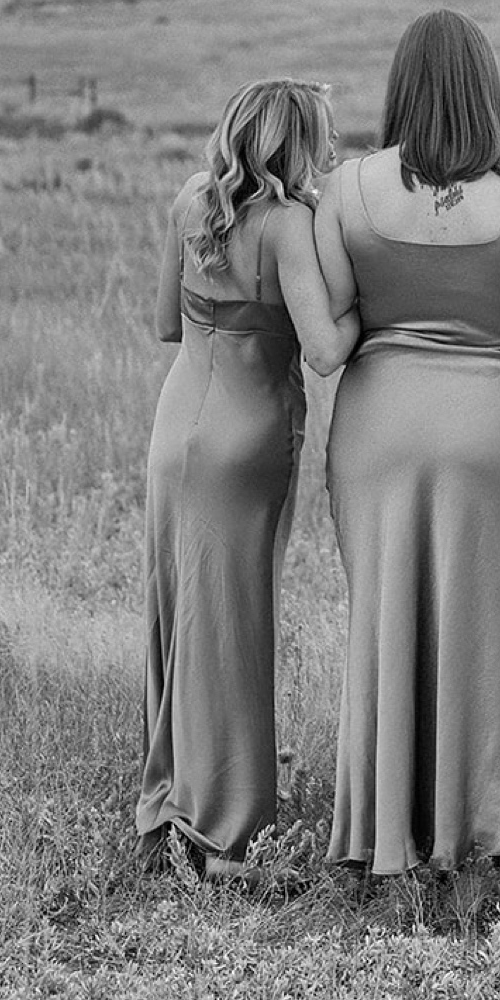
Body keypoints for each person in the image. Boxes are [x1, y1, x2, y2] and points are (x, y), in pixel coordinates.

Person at [315, 9, 500, 875]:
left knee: (382, 619)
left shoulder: (347, 188)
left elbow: (338, 331)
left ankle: (384, 834)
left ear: (402, 86)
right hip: (492, 428)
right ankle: (481, 829)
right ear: (485, 88)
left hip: (381, 424)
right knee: (483, 628)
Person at [138, 80, 358, 878]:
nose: (332, 150)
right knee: (230, 623)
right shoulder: (287, 223)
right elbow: (326, 350)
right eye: (324, 135)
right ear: (293, 141)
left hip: (177, 428)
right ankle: (222, 832)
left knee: (181, 614)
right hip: (246, 440)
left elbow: (168, 322)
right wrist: (372, 307)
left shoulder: (192, 200)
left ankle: (175, 793)